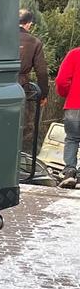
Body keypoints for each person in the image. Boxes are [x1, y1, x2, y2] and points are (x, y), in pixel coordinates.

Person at [19, 10, 50, 153]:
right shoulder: (34, 42)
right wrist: (43, 94)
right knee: (26, 125)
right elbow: (41, 71)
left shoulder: (2, 38)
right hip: (22, 85)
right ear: (29, 24)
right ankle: (24, 157)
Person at [56, 44, 80, 188]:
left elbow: (61, 80)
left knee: (71, 139)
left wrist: (66, 93)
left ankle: (69, 172)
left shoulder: (74, 54)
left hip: (74, 104)